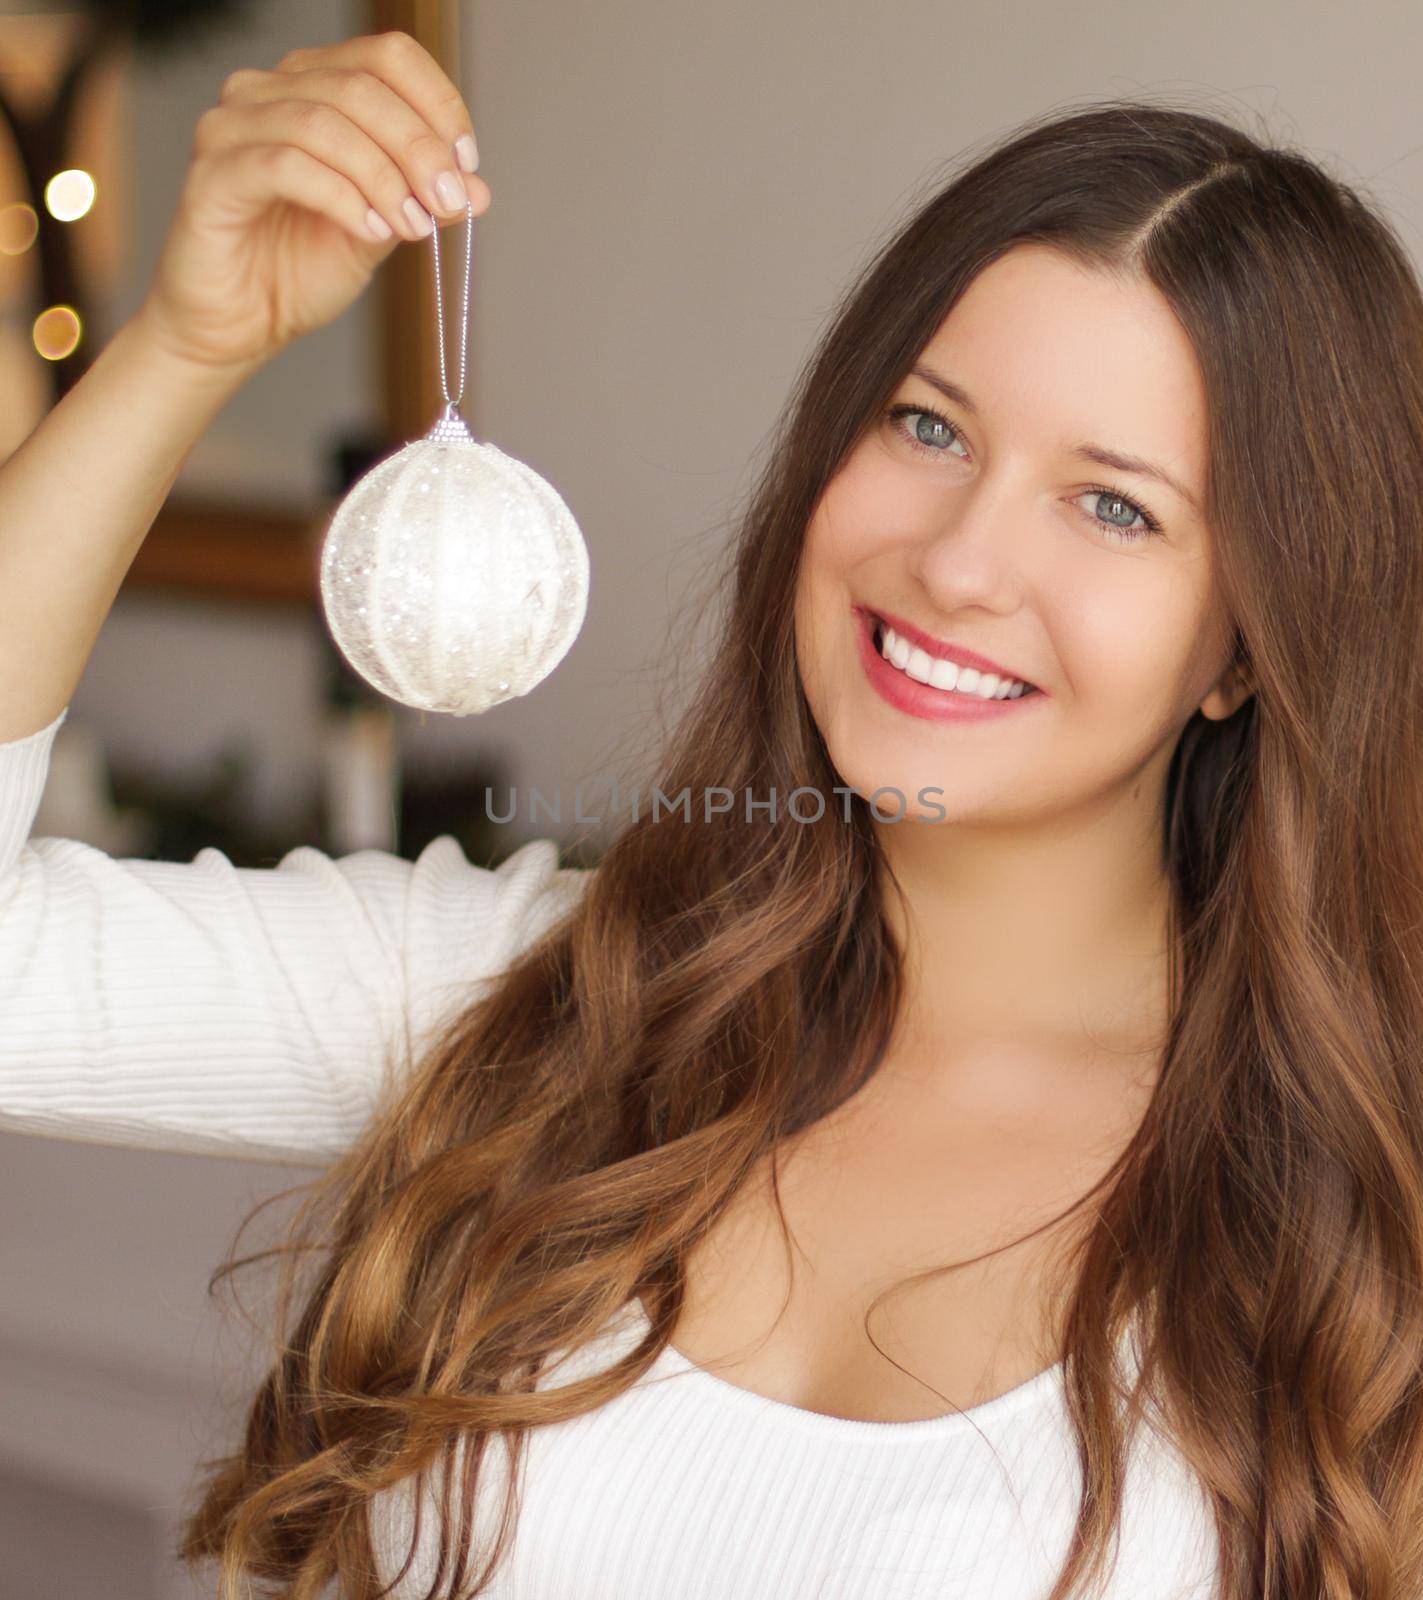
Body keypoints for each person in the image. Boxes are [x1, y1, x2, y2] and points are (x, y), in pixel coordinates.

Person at [2, 29, 1420, 1600]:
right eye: (928, 426)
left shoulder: (1360, 1207)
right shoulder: (547, 1005)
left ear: (1249, 641)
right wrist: (187, 347)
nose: (957, 562)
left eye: (1114, 506)